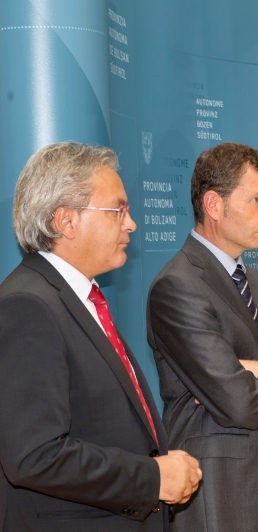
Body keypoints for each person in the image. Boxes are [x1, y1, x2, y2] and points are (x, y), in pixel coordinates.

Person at [0, 142, 201, 531]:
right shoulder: (28, 306)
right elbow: (34, 455)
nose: (131, 224)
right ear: (66, 221)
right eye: (118, 210)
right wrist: (153, 477)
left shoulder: (76, 298)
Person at [147, 142, 258, 532]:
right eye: (257, 200)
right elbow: (236, 401)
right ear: (214, 205)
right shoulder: (178, 286)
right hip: (217, 490)